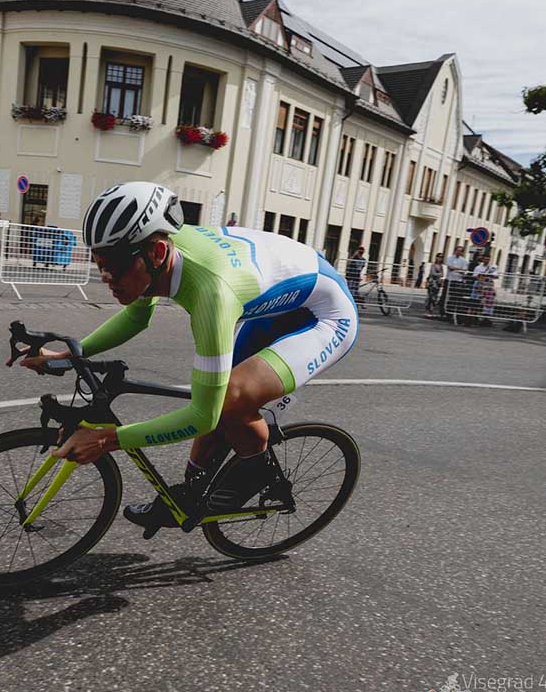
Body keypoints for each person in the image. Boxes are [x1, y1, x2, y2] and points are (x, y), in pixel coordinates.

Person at [18, 182, 359, 530]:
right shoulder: (155, 252)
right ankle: (191, 493)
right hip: (280, 301)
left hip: (326, 315)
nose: (105, 277)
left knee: (226, 401)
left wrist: (106, 440)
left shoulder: (211, 295)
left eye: (115, 265)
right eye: (99, 262)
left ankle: (256, 469)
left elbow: (202, 417)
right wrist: (66, 354)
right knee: (215, 395)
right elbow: (137, 317)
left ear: (157, 253)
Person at [440, 244, 468, 321]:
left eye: (460, 251)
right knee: (445, 296)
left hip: (458, 281)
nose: (458, 252)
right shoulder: (450, 258)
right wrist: (459, 269)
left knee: (455, 298)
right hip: (449, 280)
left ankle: (453, 313)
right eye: (457, 250)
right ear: (455, 251)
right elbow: (450, 267)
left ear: (462, 252)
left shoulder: (464, 261)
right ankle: (443, 312)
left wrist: (456, 269)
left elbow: (464, 270)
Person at [471, 253, 498, 326]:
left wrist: (487, 276)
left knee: (487, 303)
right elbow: (475, 276)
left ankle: (485, 319)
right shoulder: (478, 267)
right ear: (482, 259)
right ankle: (474, 318)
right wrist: (482, 279)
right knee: (476, 302)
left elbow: (495, 276)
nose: (487, 260)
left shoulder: (492, 267)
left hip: (488, 287)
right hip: (479, 286)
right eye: (485, 259)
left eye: (488, 259)